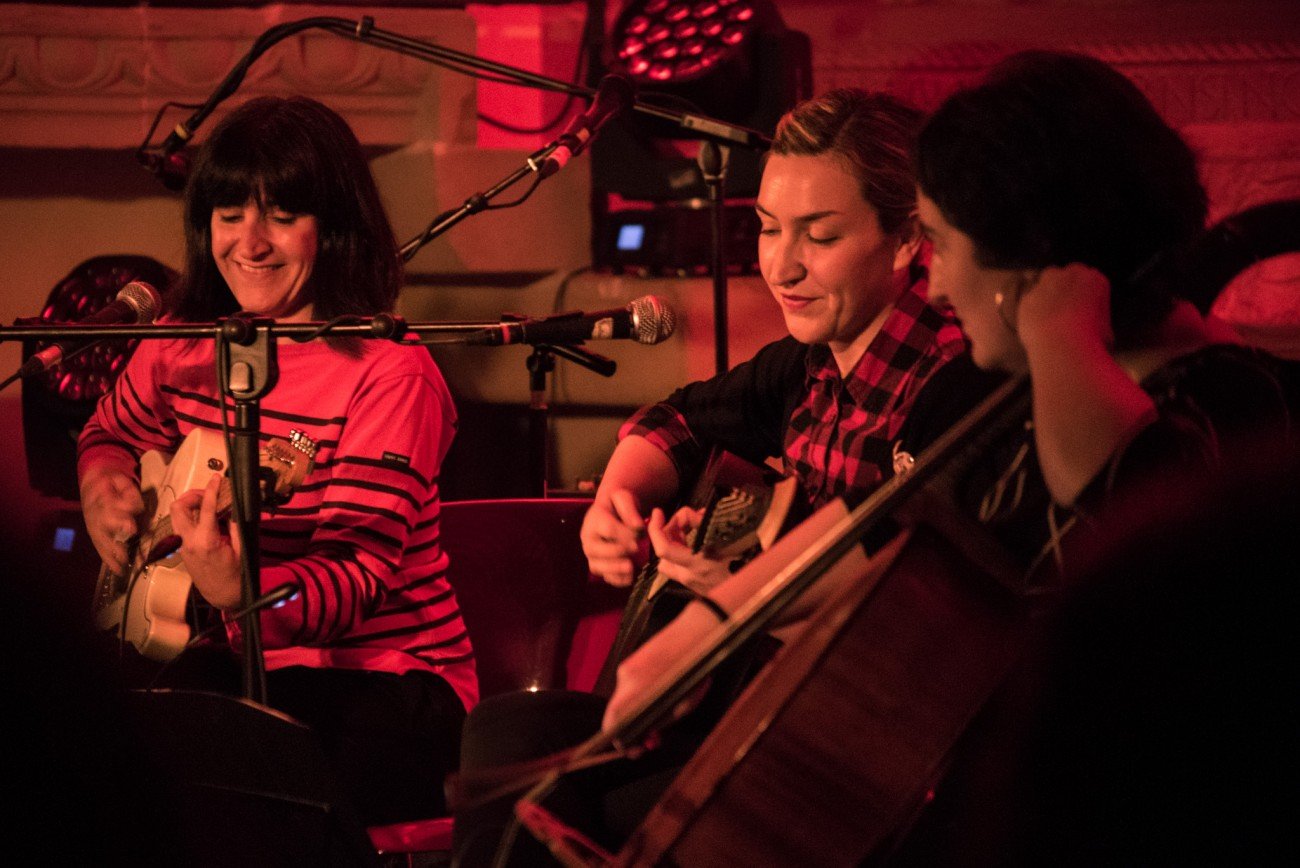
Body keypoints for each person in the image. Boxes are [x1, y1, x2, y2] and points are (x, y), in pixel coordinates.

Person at [596, 50, 1296, 865]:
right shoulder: (997, 401)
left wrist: (1060, 334)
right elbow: (883, 533)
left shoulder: (1228, 401)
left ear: (1038, 263)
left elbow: (1117, 492)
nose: (934, 285)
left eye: (943, 242)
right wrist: (696, 639)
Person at [452, 88, 1002, 865]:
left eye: (820, 235)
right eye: (769, 227)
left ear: (908, 238)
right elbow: (677, 420)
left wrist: (737, 596)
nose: (780, 264)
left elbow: (912, 615)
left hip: (841, 750)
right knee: (506, 731)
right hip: (748, 705)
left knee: (560, 805)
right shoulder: (804, 367)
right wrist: (620, 500)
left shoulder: (953, 385)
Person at [77, 95, 476, 830]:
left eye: (281, 216)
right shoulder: (184, 335)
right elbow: (109, 432)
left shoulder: (390, 372)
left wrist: (247, 594)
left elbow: (354, 576)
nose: (250, 244)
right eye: (230, 215)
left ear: (336, 227)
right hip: (231, 654)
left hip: (388, 678)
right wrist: (103, 485)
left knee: (253, 804)